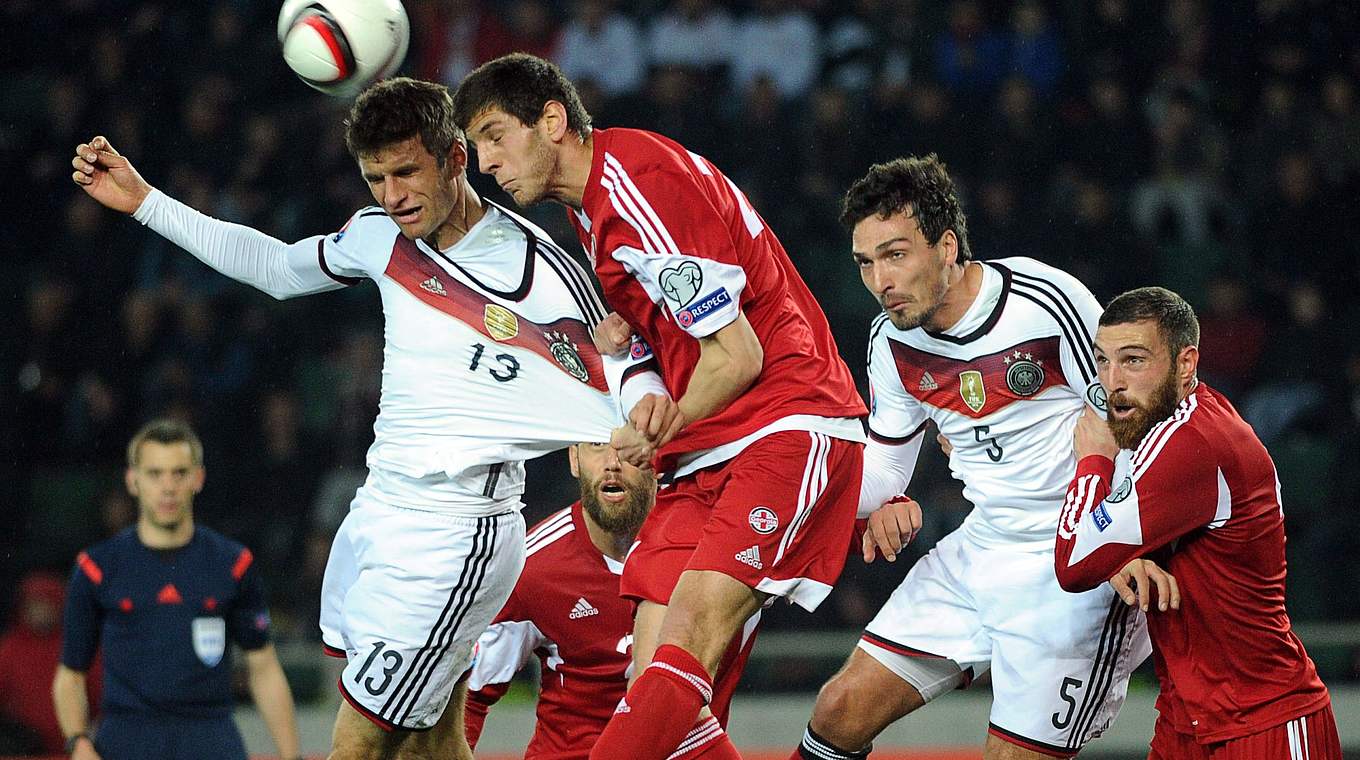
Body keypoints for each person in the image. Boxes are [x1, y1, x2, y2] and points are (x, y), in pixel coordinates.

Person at [69, 77, 661, 760]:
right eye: (376, 177)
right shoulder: (379, 238)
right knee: (428, 743)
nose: (393, 195)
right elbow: (277, 266)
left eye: (407, 171)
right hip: (378, 513)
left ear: (456, 158)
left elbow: (629, 380)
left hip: (455, 538)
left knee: (356, 743)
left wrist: (639, 370)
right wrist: (146, 203)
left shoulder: (541, 274)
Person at [452, 53, 868, 760]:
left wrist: (659, 426)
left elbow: (738, 356)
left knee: (693, 636)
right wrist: (628, 348)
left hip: (782, 424)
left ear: (552, 120)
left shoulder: (638, 181)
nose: (485, 162)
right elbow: (677, 343)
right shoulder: (593, 217)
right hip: (702, 453)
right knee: (653, 681)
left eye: (494, 135)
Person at [792, 155, 1149, 760]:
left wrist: (1122, 541)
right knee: (838, 710)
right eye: (866, 263)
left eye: (897, 254)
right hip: (980, 549)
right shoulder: (890, 342)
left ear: (948, 246)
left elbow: (1134, 423)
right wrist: (830, 502)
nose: (882, 280)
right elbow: (884, 466)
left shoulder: (1043, 301)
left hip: (1075, 563)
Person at [1055, 286, 1341, 759]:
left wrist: (1093, 462)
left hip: (1263, 721)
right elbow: (1105, 536)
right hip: (1187, 721)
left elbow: (1072, 563)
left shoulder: (1192, 444)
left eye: (1134, 360)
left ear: (1185, 364)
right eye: (1103, 361)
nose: (1112, 382)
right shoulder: (1175, 423)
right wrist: (1122, 558)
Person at [464, 440, 759, 758]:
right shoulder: (531, 567)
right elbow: (468, 697)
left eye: (626, 447)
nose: (612, 462)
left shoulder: (722, 555)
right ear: (574, 459)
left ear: (661, 456)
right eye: (596, 445)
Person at [53, 419, 300, 760]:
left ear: (198, 478)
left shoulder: (233, 563)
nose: (168, 487)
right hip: (126, 739)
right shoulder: (97, 568)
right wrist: (78, 742)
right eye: (155, 473)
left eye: (179, 473)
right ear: (132, 480)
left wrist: (292, 756)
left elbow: (264, 667)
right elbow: (71, 675)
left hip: (211, 738)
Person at [0, 572, 99, 754]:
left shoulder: (78, 644)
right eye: (34, 605)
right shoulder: (9, 648)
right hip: (26, 747)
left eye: (46, 603)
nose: (40, 611)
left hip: (76, 744)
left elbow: (99, 693)